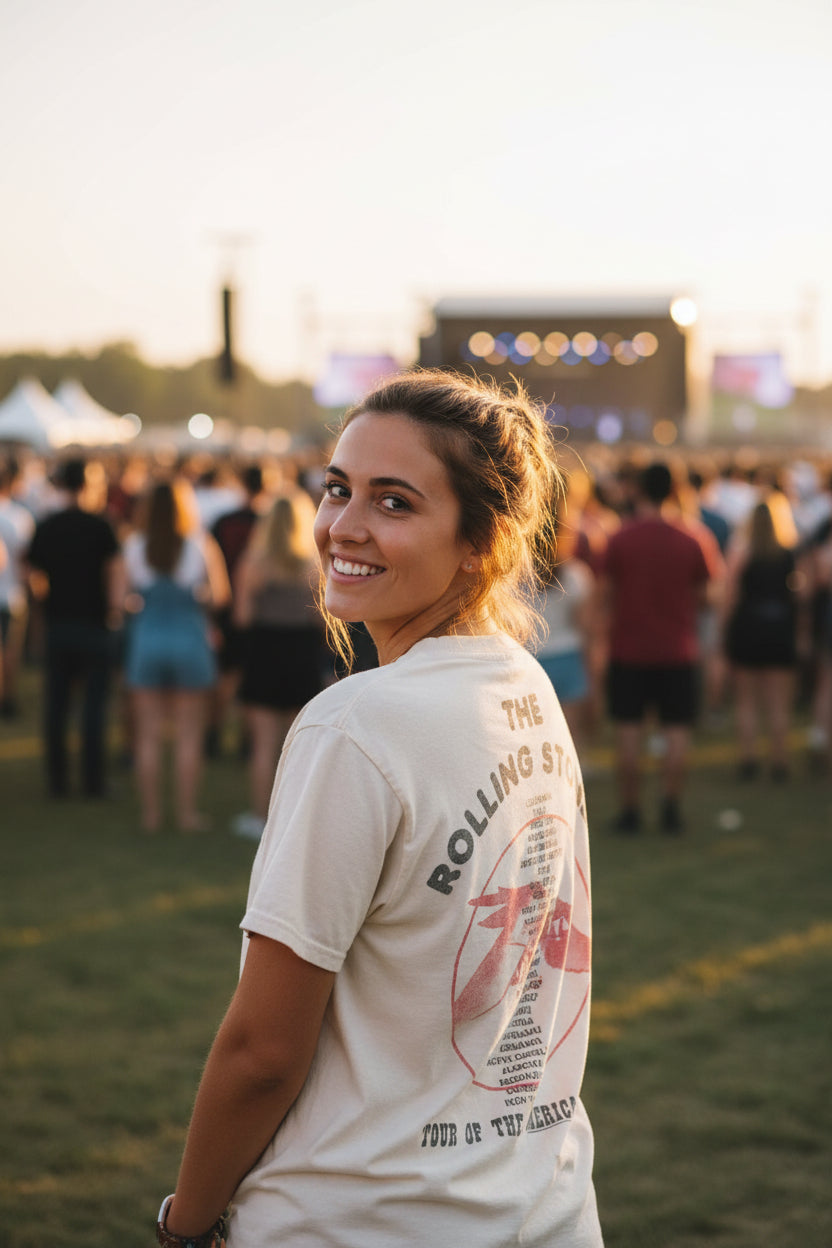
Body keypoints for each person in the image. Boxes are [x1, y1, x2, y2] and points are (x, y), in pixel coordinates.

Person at [156, 370, 603, 1248]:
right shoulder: (526, 684)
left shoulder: (355, 726)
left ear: (480, 542)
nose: (343, 527)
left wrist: (185, 1225)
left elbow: (262, 1052)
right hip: (541, 1208)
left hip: (361, 1218)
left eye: (393, 502)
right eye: (337, 488)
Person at [599, 459, 723, 834]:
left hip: (629, 649)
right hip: (677, 650)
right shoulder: (694, 538)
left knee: (629, 733)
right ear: (674, 490)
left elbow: (606, 595)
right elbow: (708, 596)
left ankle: (631, 811)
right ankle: (670, 808)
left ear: (639, 490)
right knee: (676, 733)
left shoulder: (620, 538)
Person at [123, 480, 230, 832]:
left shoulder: (134, 544)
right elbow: (219, 596)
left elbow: (119, 598)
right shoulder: (200, 544)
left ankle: (151, 815)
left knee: (148, 735)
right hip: (189, 639)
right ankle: (186, 814)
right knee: (188, 735)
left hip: (147, 638)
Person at [26, 457, 124, 798]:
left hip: (58, 623)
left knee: (56, 705)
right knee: (93, 708)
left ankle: (57, 781)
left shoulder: (48, 524)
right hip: (95, 624)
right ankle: (93, 782)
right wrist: (115, 611)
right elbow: (114, 574)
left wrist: (44, 601)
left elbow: (32, 572)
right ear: (88, 484)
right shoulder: (102, 525)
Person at [231, 493, 325, 840]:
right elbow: (323, 622)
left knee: (263, 746)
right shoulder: (314, 566)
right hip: (301, 656)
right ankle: (297, 822)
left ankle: (260, 818)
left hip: (264, 656)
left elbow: (241, 616)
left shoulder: (254, 563)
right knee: (300, 747)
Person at [722, 493, 809, 780]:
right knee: (778, 703)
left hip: (748, 630)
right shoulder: (787, 554)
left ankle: (748, 759)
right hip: (779, 631)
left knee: (746, 701)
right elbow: (798, 596)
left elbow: (731, 596)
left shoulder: (743, 553)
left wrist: (725, 632)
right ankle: (779, 760)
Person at [0, 456, 36, 718]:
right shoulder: (19, 517)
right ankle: (7, 698)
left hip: (9, 591)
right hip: (11, 594)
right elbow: (26, 560)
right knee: (10, 649)